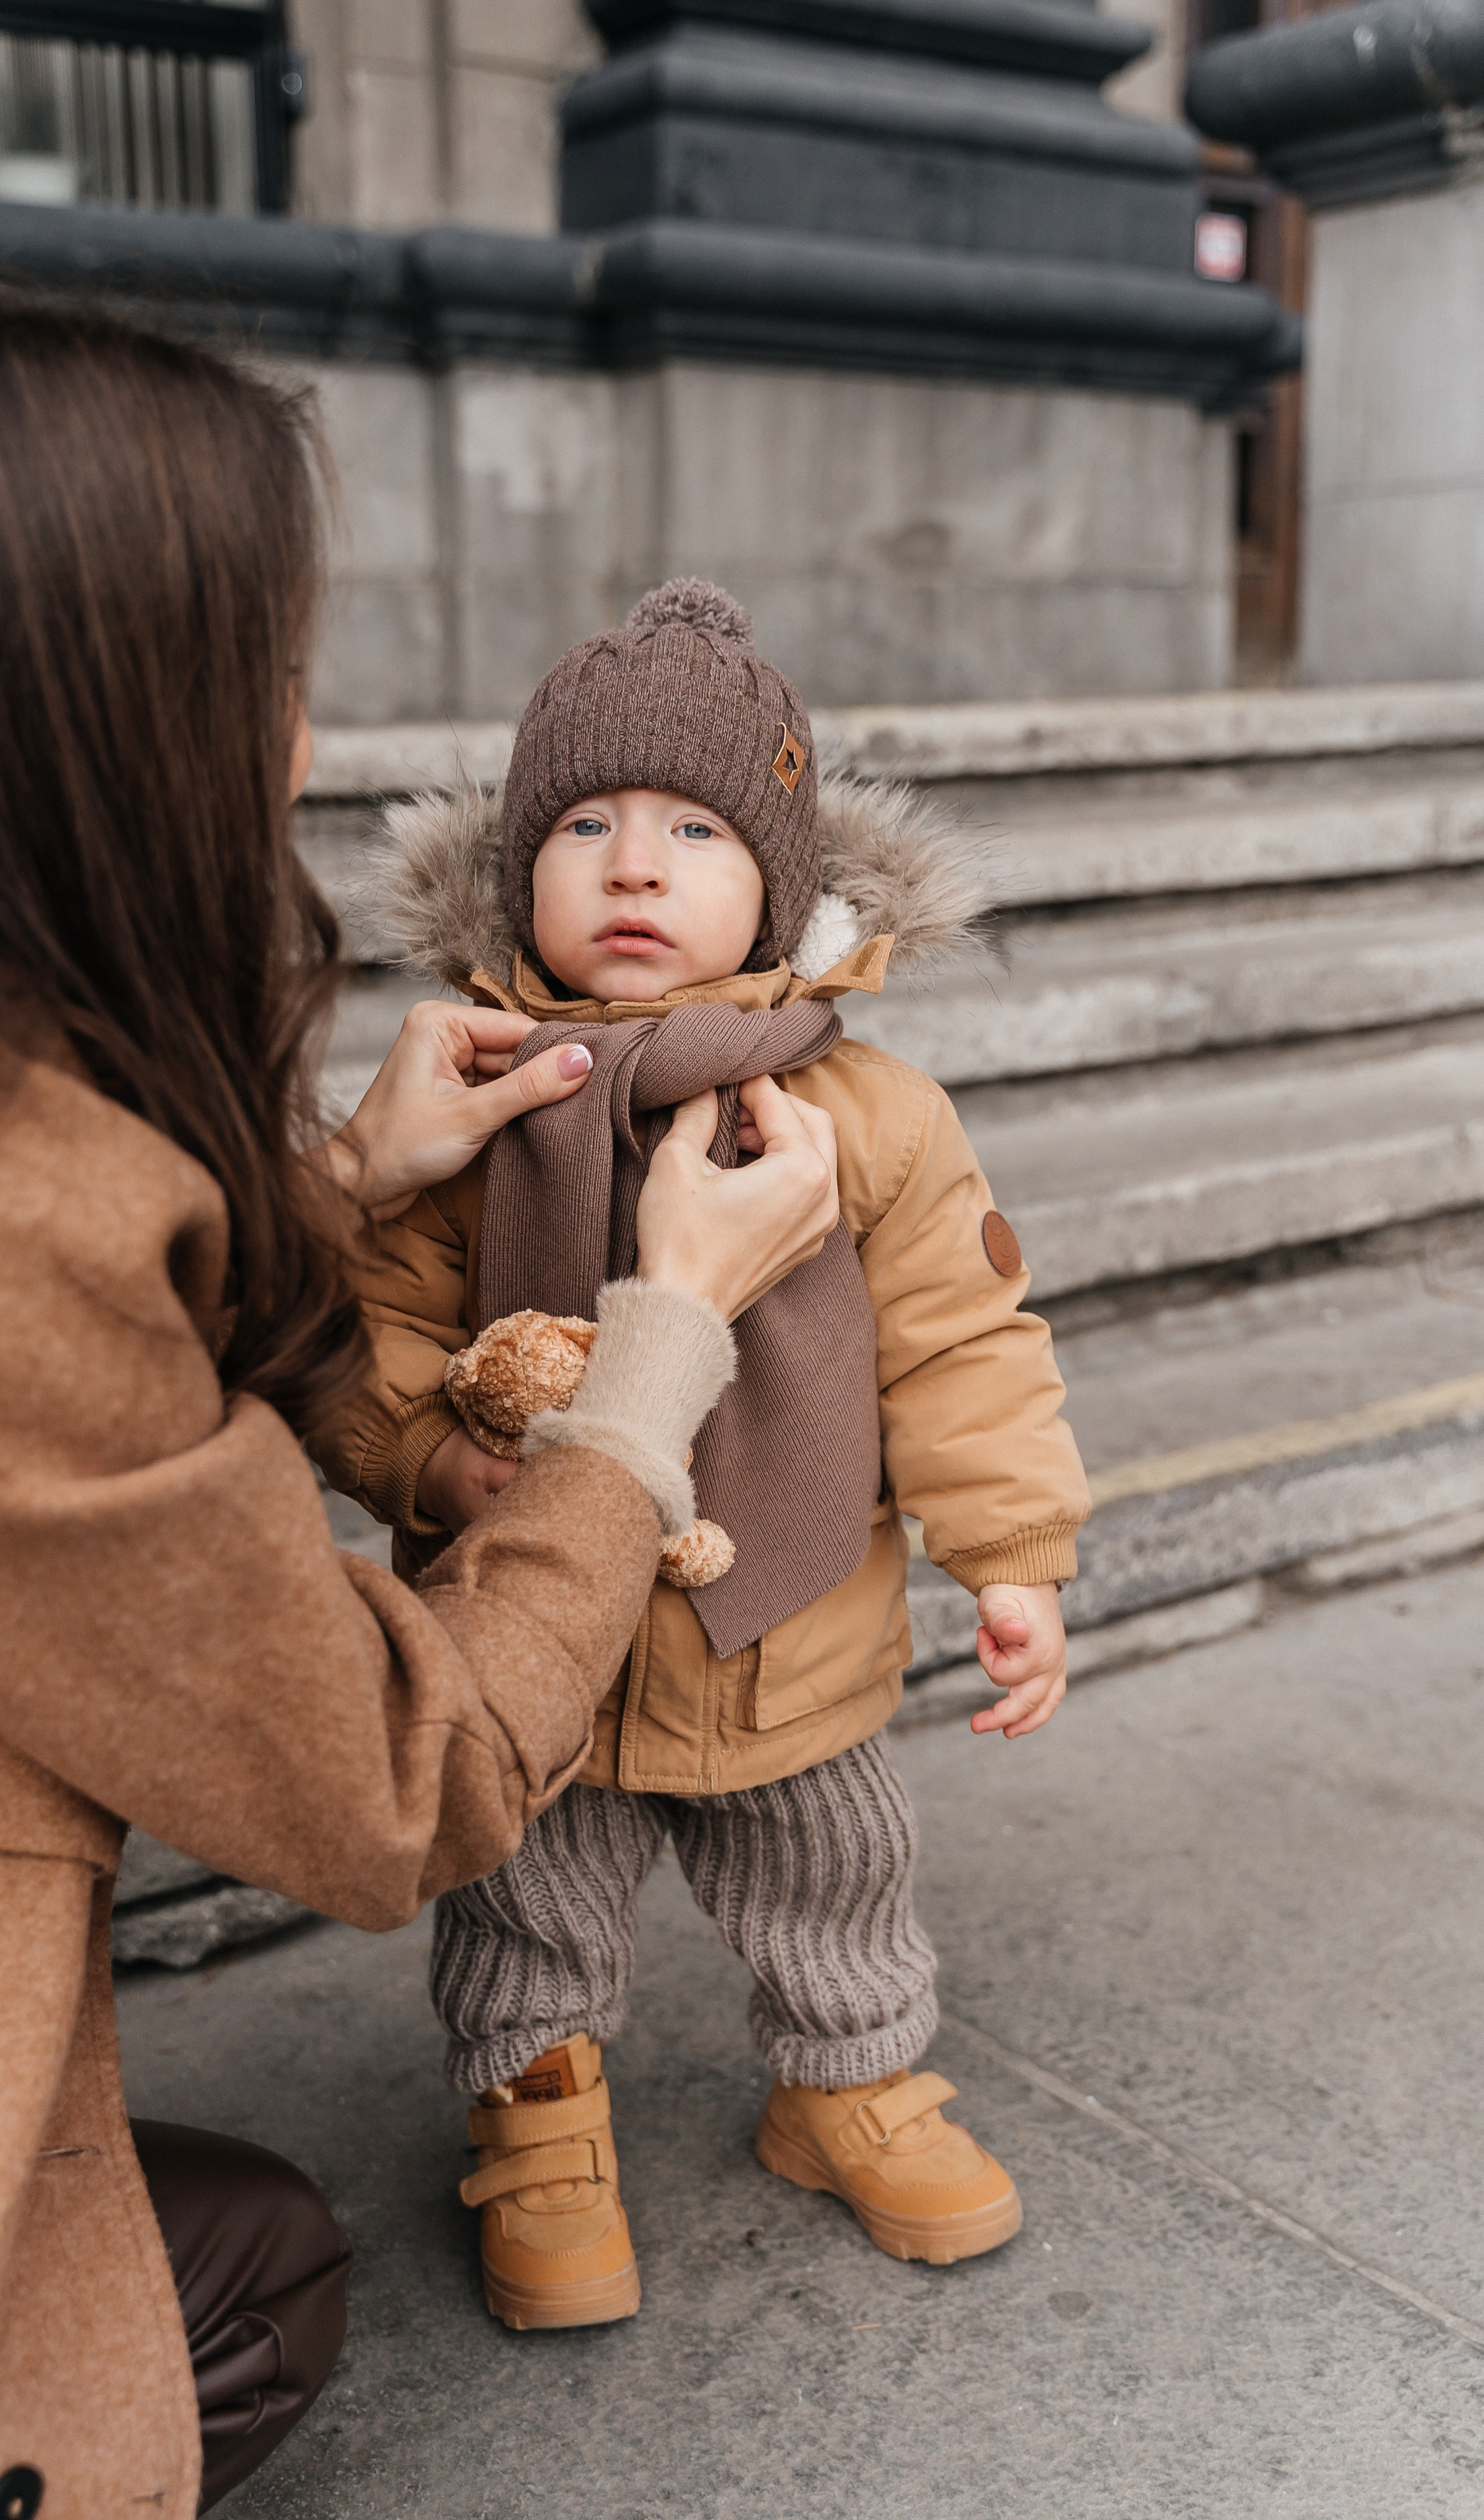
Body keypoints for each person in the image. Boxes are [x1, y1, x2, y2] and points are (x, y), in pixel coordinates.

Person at [0, 287, 842, 2520]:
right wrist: (665, 1338)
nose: (300, 729)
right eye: (268, 664)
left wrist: (346, 1180)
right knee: (228, 2294)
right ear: (99, 713)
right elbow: (391, 1778)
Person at [327, 578, 1092, 2331]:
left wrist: (1017, 1556)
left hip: (791, 1636)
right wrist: (437, 1474)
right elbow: (370, 1338)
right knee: (527, 1894)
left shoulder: (872, 1114)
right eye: (583, 825)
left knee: (839, 1874)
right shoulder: (475, 1096)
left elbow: (966, 1342)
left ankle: (846, 2085)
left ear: (788, 882)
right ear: (518, 870)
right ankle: (539, 2115)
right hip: (540, 1637)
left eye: (693, 828)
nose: (635, 866)